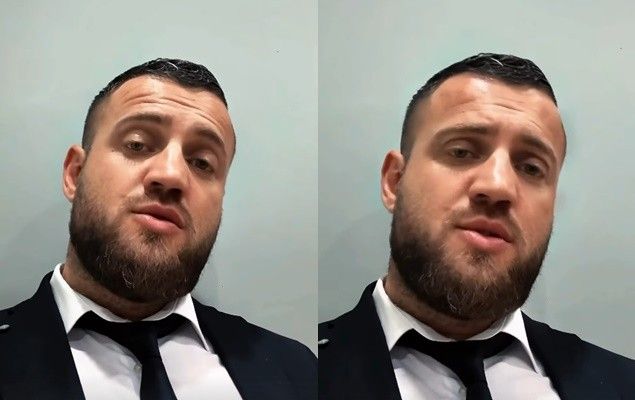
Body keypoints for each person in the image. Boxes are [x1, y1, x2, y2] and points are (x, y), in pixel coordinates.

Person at [318, 53, 634, 400]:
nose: (498, 186)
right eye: (462, 151)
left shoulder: (623, 383)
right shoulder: (308, 372)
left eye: (531, 168)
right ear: (395, 182)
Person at [0, 58, 316, 400]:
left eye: (202, 163)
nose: (171, 175)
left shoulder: (299, 372)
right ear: (75, 174)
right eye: (137, 144)